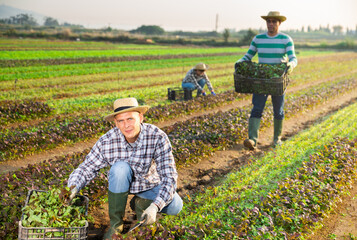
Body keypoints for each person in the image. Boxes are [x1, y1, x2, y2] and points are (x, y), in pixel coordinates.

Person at [67, 97, 183, 239]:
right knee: (120, 168)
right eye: (121, 121)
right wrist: (72, 187)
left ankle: (141, 203)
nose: (126, 125)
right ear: (115, 123)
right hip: (121, 186)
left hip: (149, 185)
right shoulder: (107, 141)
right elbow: (86, 168)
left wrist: (155, 206)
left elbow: (169, 177)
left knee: (175, 206)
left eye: (130, 119)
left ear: (140, 117)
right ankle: (116, 225)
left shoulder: (157, 137)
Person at [235, 11, 298, 150]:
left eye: (274, 21)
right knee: (257, 108)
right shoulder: (258, 39)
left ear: (279, 23)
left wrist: (290, 65)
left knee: (278, 110)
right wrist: (239, 62)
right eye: (268, 21)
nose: (271, 24)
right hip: (261, 80)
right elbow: (248, 55)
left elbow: (293, 58)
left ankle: (277, 140)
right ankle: (252, 140)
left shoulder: (286, 39)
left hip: (277, 80)